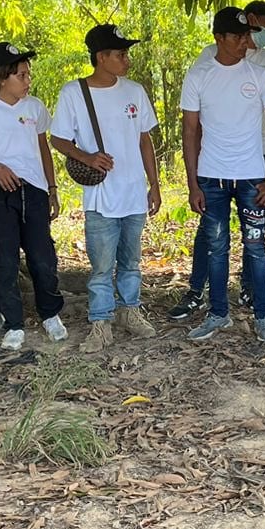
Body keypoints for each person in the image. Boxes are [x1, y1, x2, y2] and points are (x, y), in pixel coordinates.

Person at [168, 0, 265, 321]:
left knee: (255, 236)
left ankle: (254, 297)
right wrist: (193, 180)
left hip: (259, 158)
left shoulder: (264, 65)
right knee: (212, 237)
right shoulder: (205, 66)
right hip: (215, 164)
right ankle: (201, 293)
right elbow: (192, 129)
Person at [50, 25, 162, 352]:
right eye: (121, 54)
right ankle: (100, 322)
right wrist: (87, 156)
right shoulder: (74, 93)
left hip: (132, 192)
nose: (127, 60)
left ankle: (130, 311)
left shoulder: (135, 91)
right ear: (102, 57)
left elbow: (145, 140)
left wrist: (154, 185)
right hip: (100, 196)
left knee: (131, 261)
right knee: (101, 266)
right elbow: (57, 138)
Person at [0, 42, 66, 351]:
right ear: (0, 78)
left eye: (28, 74)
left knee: (42, 257)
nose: (27, 81)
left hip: (32, 191)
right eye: (21, 75)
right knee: (3, 259)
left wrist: (52, 188)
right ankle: (14, 324)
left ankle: (51, 315)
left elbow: (43, 148)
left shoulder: (34, 107)